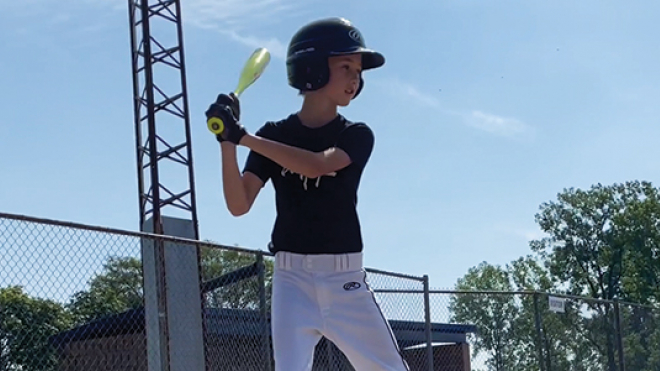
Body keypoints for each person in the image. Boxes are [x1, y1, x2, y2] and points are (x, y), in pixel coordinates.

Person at [206, 17, 410, 371]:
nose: (355, 79)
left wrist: (243, 138)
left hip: (344, 278)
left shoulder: (357, 135)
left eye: (358, 71)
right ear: (312, 69)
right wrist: (226, 142)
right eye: (345, 66)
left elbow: (316, 165)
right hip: (290, 280)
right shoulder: (273, 134)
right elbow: (238, 204)